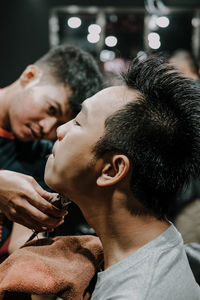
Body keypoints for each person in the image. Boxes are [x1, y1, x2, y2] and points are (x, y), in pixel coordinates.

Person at [45, 56, 200, 299]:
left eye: (77, 122)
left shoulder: (135, 293)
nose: (59, 130)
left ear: (112, 170)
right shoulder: (162, 242)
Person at [0, 44, 103, 257]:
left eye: (58, 124)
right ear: (29, 76)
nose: (46, 128)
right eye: (51, 109)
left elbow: (19, 246)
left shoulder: (42, 155)